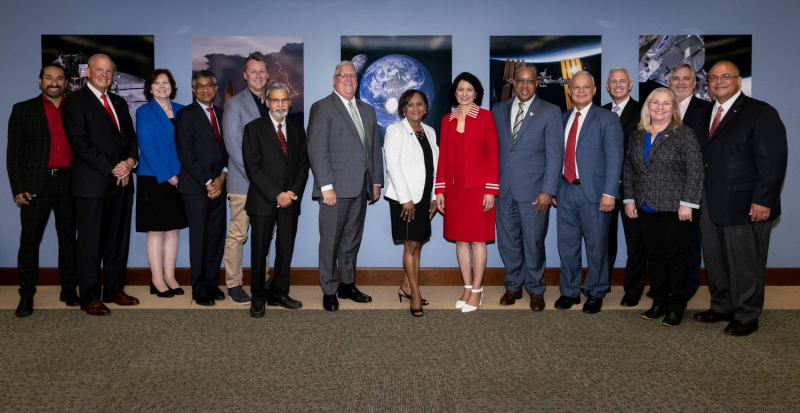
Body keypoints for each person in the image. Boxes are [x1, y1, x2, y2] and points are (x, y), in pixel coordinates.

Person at [692, 61, 787, 336]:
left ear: (738, 80)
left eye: (726, 76)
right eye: (713, 77)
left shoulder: (760, 112)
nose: (719, 81)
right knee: (715, 259)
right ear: (707, 83)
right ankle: (721, 306)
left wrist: (764, 200)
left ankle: (747, 314)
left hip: (747, 204)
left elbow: (773, 161)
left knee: (746, 262)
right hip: (709, 201)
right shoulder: (704, 113)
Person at [62, 54, 140, 316]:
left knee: (117, 240)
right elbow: (80, 143)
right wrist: (113, 167)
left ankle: (115, 289)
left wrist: (130, 162)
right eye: (100, 70)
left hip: (122, 182)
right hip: (92, 185)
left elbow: (130, 136)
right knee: (90, 243)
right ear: (88, 72)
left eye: (109, 70)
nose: (105, 74)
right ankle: (90, 297)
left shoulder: (118, 101)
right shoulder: (74, 101)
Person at [622, 87, 703, 327]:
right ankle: (658, 300)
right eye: (655, 102)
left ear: (673, 107)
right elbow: (629, 168)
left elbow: (695, 171)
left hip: (675, 207)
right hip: (645, 206)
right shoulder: (637, 134)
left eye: (666, 103)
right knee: (654, 257)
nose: (660, 107)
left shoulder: (684, 134)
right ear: (648, 106)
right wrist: (629, 199)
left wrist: (687, 204)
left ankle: (677, 305)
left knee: (676, 257)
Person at [307, 61, 384, 312]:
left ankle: (347, 285)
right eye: (344, 75)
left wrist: (375, 180)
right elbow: (317, 150)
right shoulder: (322, 107)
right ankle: (329, 289)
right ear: (334, 79)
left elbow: (373, 149)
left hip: (361, 187)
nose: (349, 79)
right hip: (335, 189)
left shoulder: (368, 110)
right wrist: (326, 186)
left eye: (353, 75)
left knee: (352, 240)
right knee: (330, 241)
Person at [7, 64, 78, 317]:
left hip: (69, 183)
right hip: (35, 185)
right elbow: (13, 154)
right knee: (29, 242)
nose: (54, 82)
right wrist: (18, 188)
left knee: (69, 240)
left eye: (59, 78)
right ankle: (26, 294)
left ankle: (69, 288)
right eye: (49, 78)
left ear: (66, 83)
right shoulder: (22, 110)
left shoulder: (76, 108)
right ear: (40, 81)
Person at [491, 63, 562, 311]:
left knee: (533, 242)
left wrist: (548, 190)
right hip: (504, 189)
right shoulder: (497, 109)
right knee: (508, 242)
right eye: (520, 80)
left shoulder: (550, 112)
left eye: (529, 81)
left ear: (536, 83)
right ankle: (513, 286)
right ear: (513, 83)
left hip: (534, 191)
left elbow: (555, 156)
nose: (524, 85)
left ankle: (536, 289)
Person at [555, 71, 623, 314]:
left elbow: (615, 158)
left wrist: (610, 193)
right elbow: (555, 157)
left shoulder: (607, 118)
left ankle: (596, 291)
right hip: (564, 190)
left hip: (594, 193)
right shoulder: (561, 118)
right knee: (567, 246)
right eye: (576, 87)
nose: (581, 91)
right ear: (570, 91)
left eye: (586, 87)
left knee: (597, 246)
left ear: (594, 90)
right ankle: (570, 291)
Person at [243, 83, 310, 317]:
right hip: (263, 200)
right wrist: (277, 194)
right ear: (267, 102)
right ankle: (258, 297)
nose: (280, 105)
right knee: (259, 250)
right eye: (275, 100)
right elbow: (253, 168)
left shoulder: (297, 128)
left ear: (290, 103)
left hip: (290, 201)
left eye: (284, 100)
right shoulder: (253, 129)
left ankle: (279, 293)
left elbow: (304, 165)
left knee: (285, 248)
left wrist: (291, 193)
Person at [435, 72, 499, 313]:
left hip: (479, 190)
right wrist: (440, 189)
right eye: (460, 89)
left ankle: (478, 290)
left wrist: (490, 190)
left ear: (476, 93)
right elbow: (444, 158)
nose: (464, 94)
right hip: (454, 190)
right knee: (460, 240)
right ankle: (466, 286)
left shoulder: (485, 117)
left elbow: (493, 155)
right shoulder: (446, 119)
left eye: (469, 90)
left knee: (478, 240)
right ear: (455, 92)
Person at [175, 70, 228, 307]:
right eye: (200, 86)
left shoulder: (221, 113)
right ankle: (199, 289)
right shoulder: (186, 115)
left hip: (219, 185)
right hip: (196, 188)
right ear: (194, 89)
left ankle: (211, 283)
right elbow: (186, 153)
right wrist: (208, 182)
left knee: (216, 238)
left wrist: (222, 177)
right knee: (200, 238)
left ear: (216, 88)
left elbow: (226, 150)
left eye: (209, 85)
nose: (205, 89)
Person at [384, 89, 439, 317]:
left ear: (425, 108)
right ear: (403, 109)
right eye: (410, 105)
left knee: (417, 243)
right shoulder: (395, 130)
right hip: (404, 198)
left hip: (424, 196)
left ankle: (406, 286)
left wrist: (435, 196)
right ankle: (415, 293)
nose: (415, 108)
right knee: (411, 245)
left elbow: (435, 167)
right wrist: (406, 199)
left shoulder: (430, 131)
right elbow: (393, 167)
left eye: (419, 104)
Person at [222, 54, 271, 304]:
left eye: (262, 71)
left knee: (264, 235)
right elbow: (233, 147)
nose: (258, 76)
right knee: (238, 235)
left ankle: (261, 279)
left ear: (267, 74)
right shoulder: (235, 104)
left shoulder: (273, 103)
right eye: (253, 72)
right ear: (245, 75)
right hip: (244, 183)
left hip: (267, 187)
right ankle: (233, 284)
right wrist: (258, 180)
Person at [135, 69, 188, 298]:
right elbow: (147, 148)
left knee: (173, 229)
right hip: (154, 179)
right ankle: (157, 279)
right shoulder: (144, 112)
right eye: (157, 83)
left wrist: (182, 176)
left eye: (165, 82)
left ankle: (170, 276)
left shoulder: (182, 111)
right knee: (156, 231)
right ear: (150, 87)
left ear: (172, 86)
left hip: (180, 178)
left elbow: (188, 145)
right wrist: (169, 176)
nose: (162, 86)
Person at [601, 68, 646, 307]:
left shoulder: (643, 111)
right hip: (605, 188)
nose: (617, 85)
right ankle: (601, 283)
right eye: (613, 82)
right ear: (607, 87)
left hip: (634, 189)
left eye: (622, 81)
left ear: (630, 85)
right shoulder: (599, 112)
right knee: (603, 240)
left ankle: (633, 289)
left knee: (635, 242)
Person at [668, 62, 712, 301]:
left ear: (695, 84)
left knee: (691, 240)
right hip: (664, 190)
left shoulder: (707, 110)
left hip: (693, 188)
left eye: (686, 79)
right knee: (669, 243)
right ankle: (670, 286)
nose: (681, 83)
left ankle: (688, 288)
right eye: (676, 78)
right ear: (669, 82)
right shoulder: (660, 108)